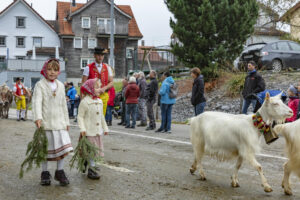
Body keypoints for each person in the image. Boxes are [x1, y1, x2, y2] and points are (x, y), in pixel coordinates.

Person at [32, 58, 73, 186]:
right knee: (45, 149)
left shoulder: (60, 85)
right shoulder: (40, 85)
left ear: (58, 72)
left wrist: (66, 121)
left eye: (55, 70)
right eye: (49, 69)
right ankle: (45, 172)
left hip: (59, 123)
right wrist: (38, 118)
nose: (52, 72)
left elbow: (63, 105)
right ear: (45, 70)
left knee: (61, 150)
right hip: (46, 124)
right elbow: (37, 102)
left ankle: (59, 171)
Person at [77, 78, 109, 180]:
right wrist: (82, 128)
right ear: (90, 88)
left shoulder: (99, 101)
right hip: (89, 131)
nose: (99, 89)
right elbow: (80, 116)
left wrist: (105, 128)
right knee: (91, 151)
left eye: (100, 87)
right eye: (96, 87)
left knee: (95, 150)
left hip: (97, 131)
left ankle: (87, 162)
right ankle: (91, 169)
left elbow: (102, 117)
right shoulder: (85, 102)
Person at [81, 47, 114, 115]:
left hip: (103, 95)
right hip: (91, 96)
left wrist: (104, 88)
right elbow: (83, 84)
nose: (100, 57)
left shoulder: (107, 67)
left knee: (101, 117)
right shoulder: (88, 67)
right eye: (98, 55)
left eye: (102, 55)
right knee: (92, 116)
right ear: (94, 55)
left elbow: (111, 82)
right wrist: (83, 98)